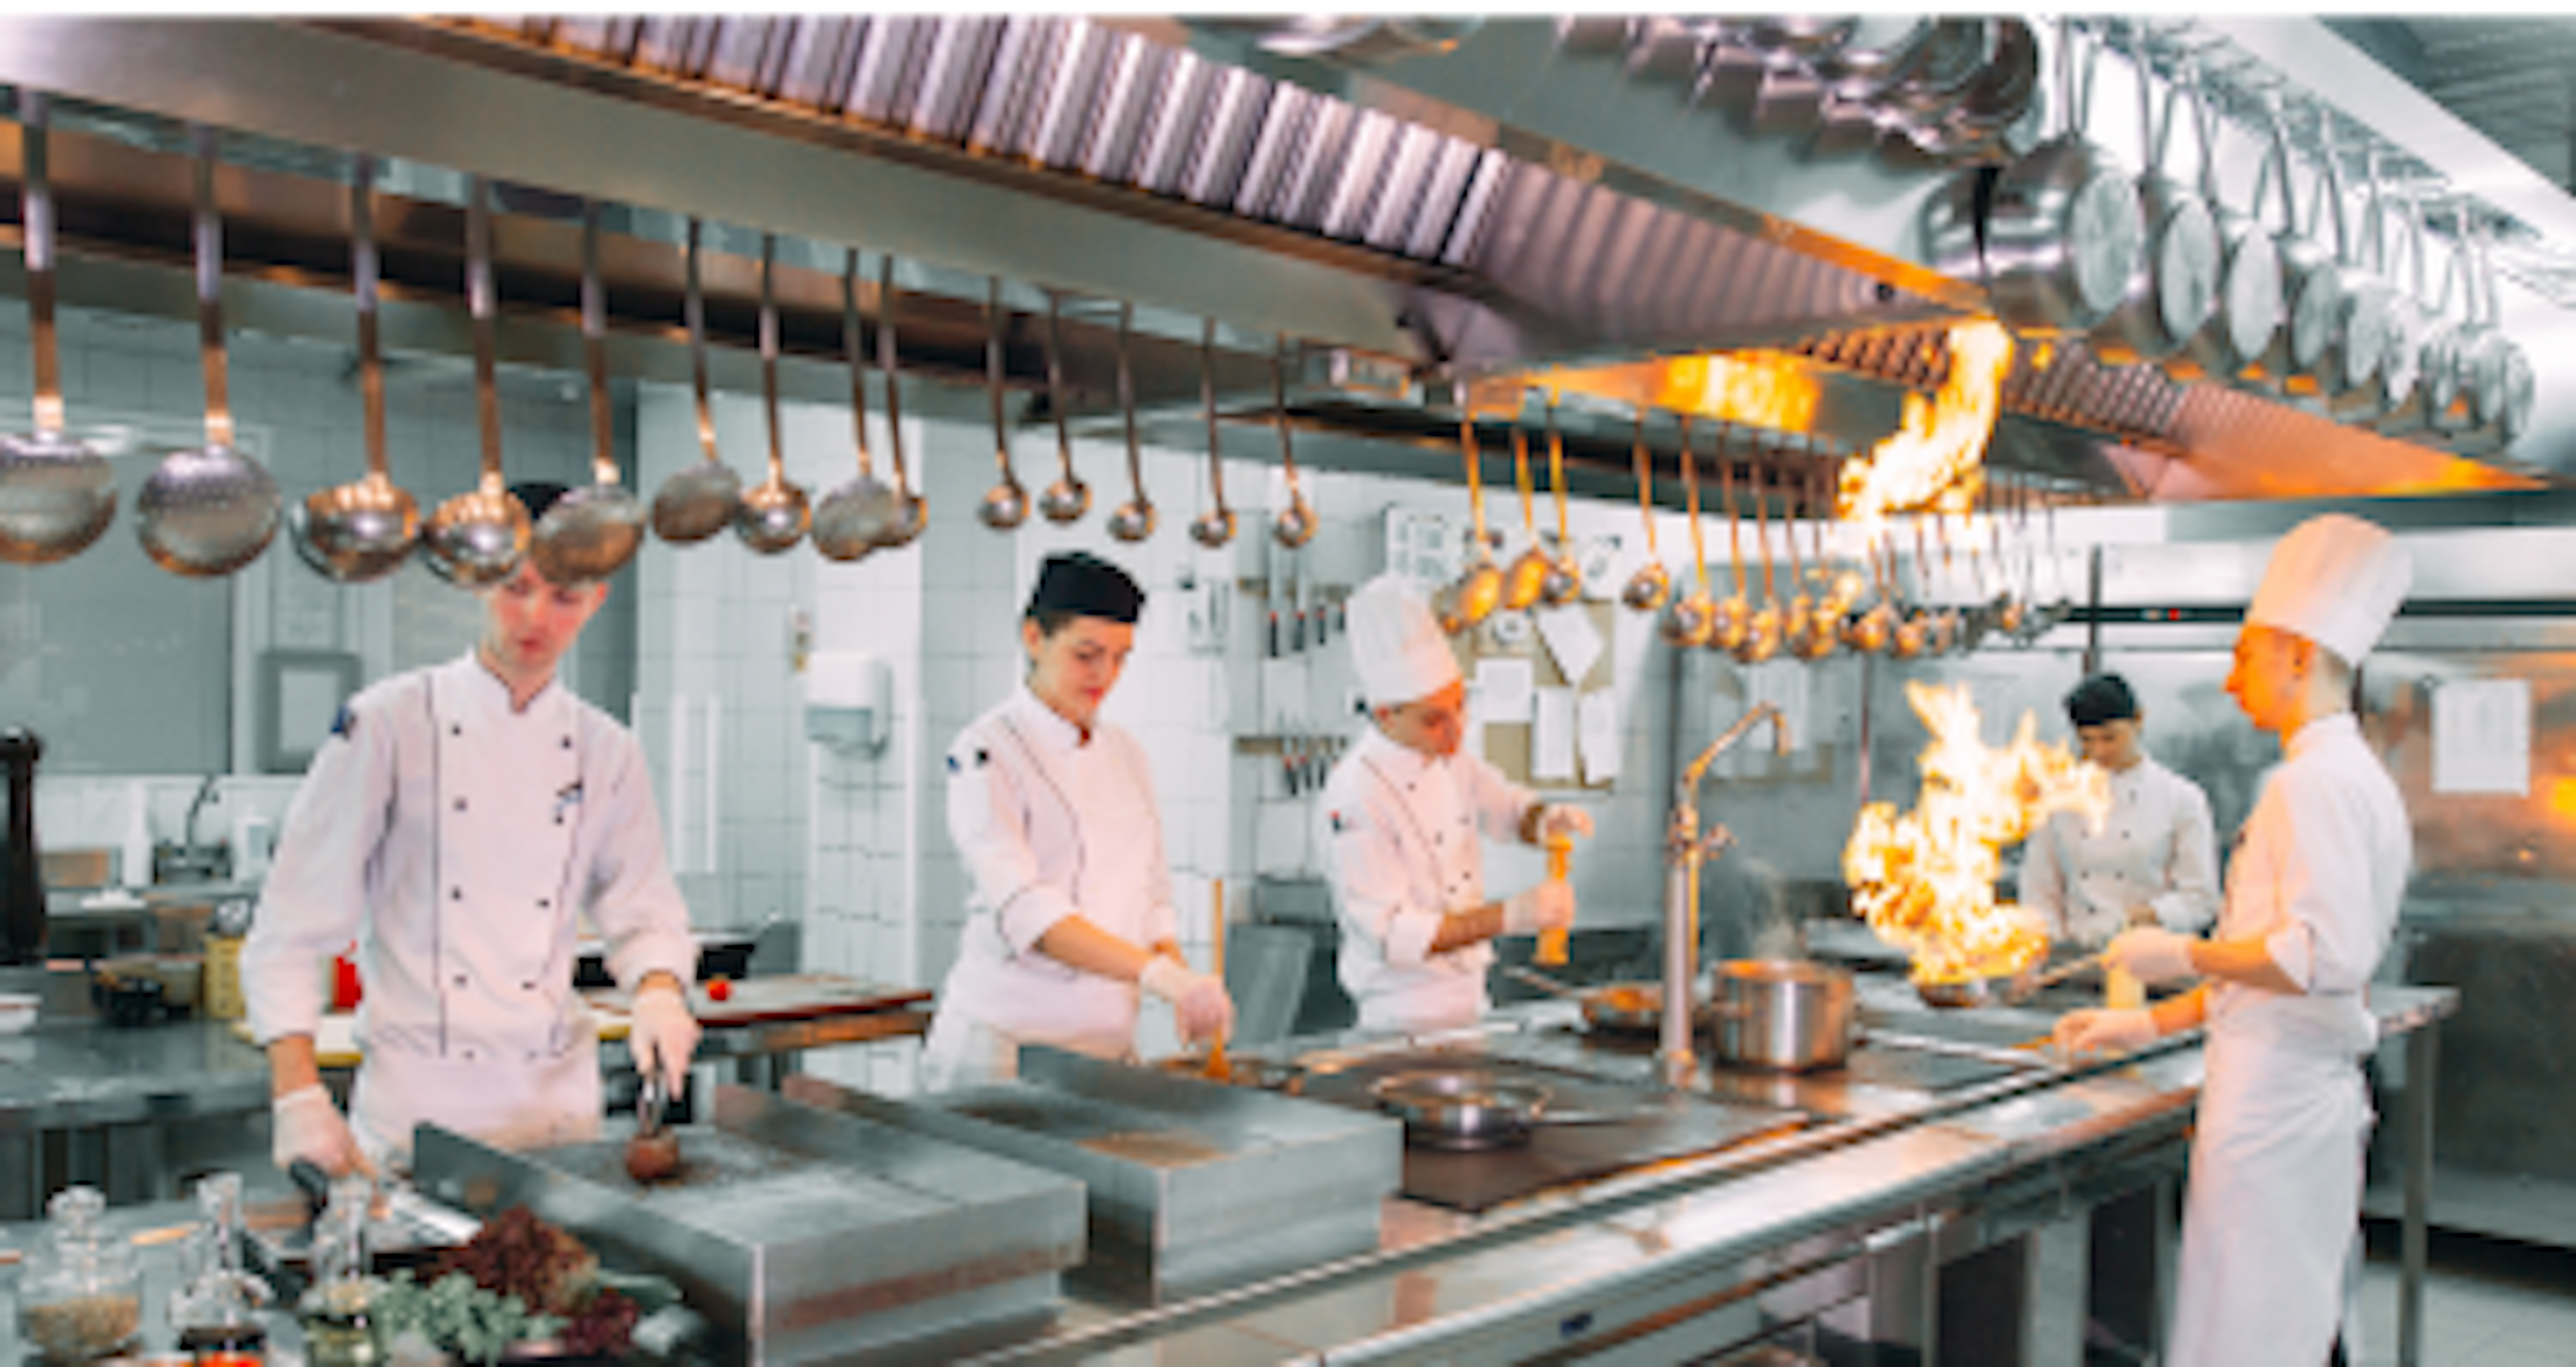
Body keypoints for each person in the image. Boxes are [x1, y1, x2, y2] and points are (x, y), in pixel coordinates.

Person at [246, 482, 702, 1175]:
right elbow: (290, 927)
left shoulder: (607, 749)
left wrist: (661, 991)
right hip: (417, 1122)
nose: (535, 617)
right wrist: (298, 1092)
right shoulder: (388, 722)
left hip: (559, 1123)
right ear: (479, 582)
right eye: (516, 587)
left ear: (597, 601)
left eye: (564, 598)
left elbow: (643, 908)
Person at [2056, 513, 2413, 1367]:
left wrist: (2175, 953)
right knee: (2281, 1323)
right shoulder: (2347, 774)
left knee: (2250, 1339)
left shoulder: (2312, 785)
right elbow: (2270, 963)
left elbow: (2321, 960)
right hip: (2284, 1099)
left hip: (2276, 1113)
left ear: (2298, 654)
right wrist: (2142, 1025)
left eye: (2244, 655)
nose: (2229, 681)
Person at [920, 551, 1232, 1090]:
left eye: (1120, 658)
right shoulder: (985, 752)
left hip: (1107, 1053)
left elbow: (1152, 896)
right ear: (1034, 637)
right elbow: (1029, 913)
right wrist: (1158, 976)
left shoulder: (1127, 753)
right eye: (1087, 655)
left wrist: (1184, 981)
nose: (1105, 676)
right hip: (1003, 1054)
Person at [1316, 573, 1591, 1034]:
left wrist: (1544, 819)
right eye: (1435, 720)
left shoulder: (1450, 758)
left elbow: (1505, 807)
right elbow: (1395, 933)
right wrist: (1509, 916)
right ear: (1387, 714)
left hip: (1471, 1002)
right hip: (1400, 1019)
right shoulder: (1356, 795)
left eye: (1460, 707)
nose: (1456, 732)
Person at [2019, 672, 2220, 951]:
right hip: (2073, 957)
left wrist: (2138, 918)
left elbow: (2200, 900)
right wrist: (2049, 942)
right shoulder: (2060, 797)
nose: (2098, 751)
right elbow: (2039, 888)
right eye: (2087, 740)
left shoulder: (2182, 798)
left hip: (2152, 957)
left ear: (2139, 720)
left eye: (2110, 738)